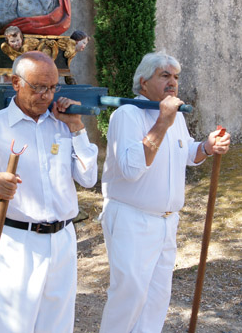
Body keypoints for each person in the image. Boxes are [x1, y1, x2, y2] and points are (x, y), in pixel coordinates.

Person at [0, 51, 98, 332]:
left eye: (53, 87)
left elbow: (89, 178)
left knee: (58, 326)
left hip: (64, 241)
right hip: (18, 244)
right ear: (15, 82)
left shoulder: (63, 124)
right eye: (38, 87)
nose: (46, 95)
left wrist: (78, 128)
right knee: (15, 327)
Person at [98, 51, 231, 333]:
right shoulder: (127, 115)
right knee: (129, 297)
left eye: (176, 77)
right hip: (132, 219)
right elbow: (132, 168)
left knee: (157, 298)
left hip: (167, 222)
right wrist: (162, 122)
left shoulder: (175, 116)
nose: (173, 82)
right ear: (143, 82)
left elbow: (185, 153)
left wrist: (206, 147)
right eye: (165, 76)